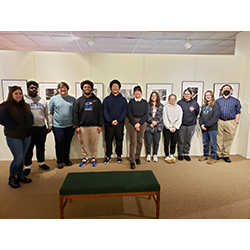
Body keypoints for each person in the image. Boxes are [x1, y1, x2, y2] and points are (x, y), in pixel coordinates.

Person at [0, 86, 33, 188]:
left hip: (26, 135)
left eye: (20, 93)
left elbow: (30, 117)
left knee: (22, 157)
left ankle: (20, 176)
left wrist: (30, 125)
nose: (19, 95)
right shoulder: (6, 105)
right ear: (11, 94)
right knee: (18, 157)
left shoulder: (25, 105)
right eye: (16, 94)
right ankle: (12, 177)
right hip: (14, 136)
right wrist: (14, 126)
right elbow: (1, 118)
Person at [23, 80, 52, 175]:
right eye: (31, 88)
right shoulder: (24, 100)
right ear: (28, 89)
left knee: (41, 147)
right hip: (29, 129)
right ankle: (27, 166)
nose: (34, 89)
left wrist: (50, 125)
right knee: (28, 148)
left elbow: (47, 114)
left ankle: (41, 163)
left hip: (41, 128)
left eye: (35, 88)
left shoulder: (43, 101)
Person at [74, 80, 103, 167]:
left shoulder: (96, 100)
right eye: (85, 87)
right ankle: (85, 158)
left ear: (91, 88)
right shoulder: (78, 101)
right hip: (83, 127)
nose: (87, 89)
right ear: (83, 89)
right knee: (84, 144)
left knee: (94, 144)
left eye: (89, 87)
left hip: (95, 126)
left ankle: (94, 157)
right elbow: (75, 114)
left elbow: (100, 114)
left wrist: (100, 125)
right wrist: (77, 126)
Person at [49, 82, 75, 169]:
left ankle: (66, 159)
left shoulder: (72, 99)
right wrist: (51, 124)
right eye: (61, 88)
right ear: (58, 90)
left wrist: (75, 123)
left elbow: (75, 113)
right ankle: (59, 161)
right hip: (57, 127)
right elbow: (50, 112)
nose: (63, 89)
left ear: (67, 89)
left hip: (70, 126)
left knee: (67, 144)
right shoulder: (53, 99)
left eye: (64, 88)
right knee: (59, 144)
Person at [103, 79, 127, 164]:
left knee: (119, 141)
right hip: (109, 124)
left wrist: (118, 120)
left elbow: (124, 112)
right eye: (113, 86)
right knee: (108, 141)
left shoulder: (123, 100)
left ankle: (119, 155)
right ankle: (108, 156)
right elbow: (105, 112)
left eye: (117, 86)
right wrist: (110, 121)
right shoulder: (106, 99)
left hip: (119, 124)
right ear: (110, 88)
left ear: (119, 88)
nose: (115, 88)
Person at [216, 84, 242, 163]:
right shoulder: (218, 101)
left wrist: (236, 122)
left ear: (231, 90)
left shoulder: (235, 100)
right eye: (224, 88)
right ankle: (219, 154)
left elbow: (238, 112)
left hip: (231, 122)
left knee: (229, 138)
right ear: (222, 91)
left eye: (228, 88)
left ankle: (226, 154)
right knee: (219, 138)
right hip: (220, 121)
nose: (226, 90)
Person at [127, 85, 148, 169]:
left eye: (139, 91)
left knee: (140, 141)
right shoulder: (131, 102)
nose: (137, 92)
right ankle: (132, 160)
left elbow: (146, 114)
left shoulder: (144, 102)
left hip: (142, 122)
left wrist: (139, 123)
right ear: (134, 93)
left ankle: (137, 157)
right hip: (132, 122)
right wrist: (135, 124)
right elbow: (129, 113)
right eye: (136, 91)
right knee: (133, 142)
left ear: (141, 92)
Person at [199, 90, 221, 164]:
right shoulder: (204, 106)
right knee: (205, 143)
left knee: (213, 143)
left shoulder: (216, 105)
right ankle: (205, 155)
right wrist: (201, 124)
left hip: (212, 128)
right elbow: (201, 116)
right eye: (206, 95)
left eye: (209, 95)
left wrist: (206, 125)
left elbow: (215, 118)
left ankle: (213, 157)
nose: (207, 97)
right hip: (204, 128)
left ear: (212, 96)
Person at [177, 88, 199, 161]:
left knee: (188, 140)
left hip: (191, 125)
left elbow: (197, 113)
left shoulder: (195, 103)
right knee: (181, 140)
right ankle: (180, 154)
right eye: (185, 94)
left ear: (191, 95)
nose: (186, 95)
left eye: (188, 94)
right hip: (181, 124)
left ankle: (186, 153)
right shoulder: (180, 103)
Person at [163, 94, 183, 164]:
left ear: (175, 100)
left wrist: (174, 127)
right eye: (171, 99)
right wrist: (169, 127)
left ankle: (172, 154)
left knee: (174, 142)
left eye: (174, 99)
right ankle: (167, 155)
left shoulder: (179, 108)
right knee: (166, 142)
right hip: (167, 128)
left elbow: (179, 119)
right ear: (169, 100)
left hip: (175, 128)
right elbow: (165, 118)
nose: (172, 100)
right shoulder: (165, 107)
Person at [145, 91, 163, 162]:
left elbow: (161, 116)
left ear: (157, 97)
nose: (153, 97)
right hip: (149, 126)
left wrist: (155, 122)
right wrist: (151, 121)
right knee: (148, 142)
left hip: (157, 127)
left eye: (155, 96)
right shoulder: (147, 105)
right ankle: (148, 154)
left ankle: (155, 155)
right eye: (152, 96)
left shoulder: (161, 106)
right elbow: (146, 115)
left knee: (156, 142)